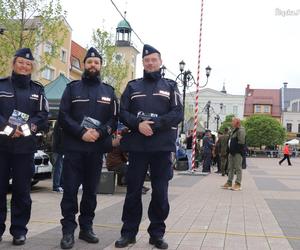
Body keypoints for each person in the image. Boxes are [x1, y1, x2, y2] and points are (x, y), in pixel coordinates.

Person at [115, 44, 183, 249]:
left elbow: (177, 113)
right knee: (133, 191)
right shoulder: (132, 86)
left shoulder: (170, 86)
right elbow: (122, 112)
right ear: (143, 63)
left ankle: (157, 234)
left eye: (154, 59)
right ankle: (128, 233)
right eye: (147, 60)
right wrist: (138, 124)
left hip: (162, 147)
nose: (150, 63)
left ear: (160, 62)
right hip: (138, 147)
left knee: (160, 192)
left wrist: (156, 124)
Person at [58, 47, 118, 249]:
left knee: (91, 192)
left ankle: (86, 228)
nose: (93, 65)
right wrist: (81, 132)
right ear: (84, 65)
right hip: (74, 148)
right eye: (90, 62)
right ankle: (68, 231)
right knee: (70, 191)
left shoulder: (108, 91)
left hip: (95, 149)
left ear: (101, 66)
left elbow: (113, 119)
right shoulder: (72, 88)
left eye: (97, 62)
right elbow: (63, 116)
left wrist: (100, 133)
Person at [0, 48, 48, 245]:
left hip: (25, 149)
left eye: (28, 64)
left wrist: (26, 128)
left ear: (32, 68)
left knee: (22, 192)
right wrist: (7, 128)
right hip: (1, 147)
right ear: (14, 63)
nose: (24, 66)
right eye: (21, 62)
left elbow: (42, 116)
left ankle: (19, 230)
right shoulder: (1, 85)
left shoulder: (38, 90)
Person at [221, 118, 246, 191]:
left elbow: (241, 142)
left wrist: (235, 150)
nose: (231, 123)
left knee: (238, 168)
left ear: (237, 123)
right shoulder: (234, 130)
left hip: (237, 153)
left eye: (233, 121)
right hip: (231, 152)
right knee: (230, 167)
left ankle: (238, 184)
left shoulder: (241, 130)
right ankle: (229, 182)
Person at [52, 120, 64, 193]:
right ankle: (56, 186)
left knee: (60, 167)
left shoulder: (58, 122)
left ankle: (59, 185)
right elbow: (60, 137)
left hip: (58, 148)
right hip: (59, 149)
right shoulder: (60, 123)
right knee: (58, 167)